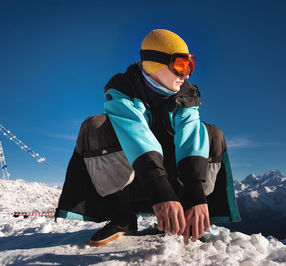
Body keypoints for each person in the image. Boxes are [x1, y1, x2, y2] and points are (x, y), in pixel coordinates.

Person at [55, 29, 240, 247]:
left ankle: (190, 220)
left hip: (175, 180)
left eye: (190, 65)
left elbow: (190, 135)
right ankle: (123, 218)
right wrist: (159, 189)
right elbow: (136, 134)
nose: (186, 74)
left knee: (210, 134)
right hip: (138, 180)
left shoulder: (187, 94)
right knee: (95, 127)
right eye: (181, 65)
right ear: (156, 63)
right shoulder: (123, 89)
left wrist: (194, 191)